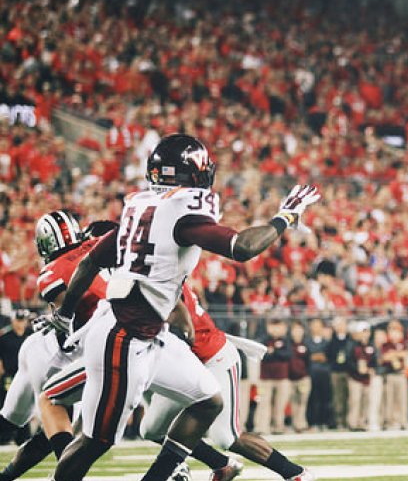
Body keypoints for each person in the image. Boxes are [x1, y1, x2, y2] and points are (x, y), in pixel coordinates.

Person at [49, 134, 320, 481]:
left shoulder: (140, 211)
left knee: (208, 401)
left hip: (151, 335)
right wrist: (285, 216)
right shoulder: (181, 217)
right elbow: (242, 247)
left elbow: (89, 263)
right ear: (191, 174)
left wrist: (66, 314)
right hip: (124, 338)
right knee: (96, 441)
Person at [0, 213, 114, 479]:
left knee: (29, 422)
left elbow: (65, 302)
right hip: (60, 352)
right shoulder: (100, 246)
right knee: (51, 418)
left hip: (67, 350)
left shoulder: (52, 271)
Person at [0, 311, 31, 446]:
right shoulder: (5, 338)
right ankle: (5, 436)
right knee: (6, 403)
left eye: (22, 320)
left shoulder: (30, 337)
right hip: (10, 376)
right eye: (18, 320)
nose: (20, 323)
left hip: (26, 376)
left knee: (26, 403)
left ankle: (23, 436)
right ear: (13, 321)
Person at [255, 317, 291, 434]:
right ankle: (262, 427)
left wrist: (273, 351)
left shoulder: (286, 340)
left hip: (282, 377)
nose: (275, 329)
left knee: (280, 405)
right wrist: (275, 353)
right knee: (264, 403)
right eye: (273, 326)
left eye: (278, 326)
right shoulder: (263, 340)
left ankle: (278, 427)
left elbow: (287, 355)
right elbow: (262, 356)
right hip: (266, 378)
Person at [347, 321, 375, 431]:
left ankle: (362, 422)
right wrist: (357, 369)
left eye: (367, 331)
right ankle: (353, 423)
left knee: (365, 401)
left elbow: (375, 361)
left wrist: (371, 369)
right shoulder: (352, 345)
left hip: (367, 378)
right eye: (363, 331)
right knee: (355, 400)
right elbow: (348, 361)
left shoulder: (371, 346)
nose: (365, 334)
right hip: (355, 378)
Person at [381, 319, 408, 430]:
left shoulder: (403, 344)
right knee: (389, 400)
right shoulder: (386, 344)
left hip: (401, 374)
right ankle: (388, 421)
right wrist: (396, 355)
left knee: (402, 399)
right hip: (390, 375)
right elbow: (385, 357)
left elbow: (405, 354)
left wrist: (393, 354)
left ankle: (403, 421)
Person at [305, 318, 332, 430]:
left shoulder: (327, 342)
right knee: (312, 399)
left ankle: (324, 422)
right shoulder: (306, 342)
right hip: (311, 373)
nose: (316, 327)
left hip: (325, 374)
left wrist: (317, 357)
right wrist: (315, 357)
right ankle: (312, 422)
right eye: (314, 325)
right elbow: (307, 357)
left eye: (318, 325)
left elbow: (329, 357)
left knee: (325, 399)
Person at [327, 316, 351, 430]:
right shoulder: (332, 341)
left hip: (349, 372)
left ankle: (349, 420)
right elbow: (329, 355)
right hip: (336, 372)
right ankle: (339, 421)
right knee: (338, 398)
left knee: (349, 397)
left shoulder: (350, 340)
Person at [288, 320, 311, 433]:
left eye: (299, 329)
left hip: (303, 377)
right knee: (293, 402)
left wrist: (306, 373)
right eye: (295, 329)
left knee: (302, 401)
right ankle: (294, 423)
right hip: (290, 378)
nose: (297, 332)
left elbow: (308, 361)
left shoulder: (306, 344)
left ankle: (301, 423)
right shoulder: (288, 344)